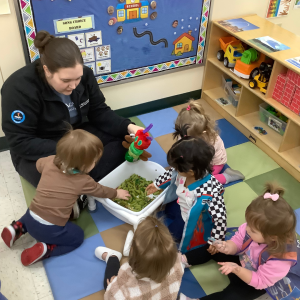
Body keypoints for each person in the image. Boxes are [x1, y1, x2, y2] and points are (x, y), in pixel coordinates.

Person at [1, 30, 148, 191]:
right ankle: (82, 186)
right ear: (47, 70)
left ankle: (81, 186)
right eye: (66, 80)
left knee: (124, 140)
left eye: (77, 78)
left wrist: (130, 127)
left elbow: (99, 112)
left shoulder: (85, 75)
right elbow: (20, 141)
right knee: (54, 179)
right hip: (41, 145)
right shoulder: (18, 89)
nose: (73, 86)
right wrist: (74, 151)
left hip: (77, 133)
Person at [1, 129, 130, 266]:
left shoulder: (50, 161)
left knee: (36, 209)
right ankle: (48, 249)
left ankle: (17, 227)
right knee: (77, 237)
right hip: (50, 230)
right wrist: (116, 193)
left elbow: (38, 165)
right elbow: (100, 191)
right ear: (85, 165)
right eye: (94, 161)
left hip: (31, 216)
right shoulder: (83, 180)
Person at [182, 183, 300, 300]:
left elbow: (261, 281)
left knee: (234, 296)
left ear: (272, 237)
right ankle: (182, 260)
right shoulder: (253, 229)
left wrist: (237, 269)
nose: (247, 228)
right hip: (244, 261)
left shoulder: (280, 259)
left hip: (257, 280)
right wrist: (227, 247)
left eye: (252, 230)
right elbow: (238, 242)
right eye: (248, 223)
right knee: (214, 247)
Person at [146, 125, 227, 256]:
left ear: (190, 171)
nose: (174, 170)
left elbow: (220, 218)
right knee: (168, 211)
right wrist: (157, 184)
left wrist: (215, 240)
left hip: (191, 219)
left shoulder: (211, 192)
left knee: (172, 235)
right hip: (181, 203)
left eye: (177, 168)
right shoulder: (183, 172)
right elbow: (170, 174)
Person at [95, 216, 186, 300]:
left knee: (108, 283)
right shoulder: (178, 264)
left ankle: (113, 257)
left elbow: (112, 296)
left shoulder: (125, 276)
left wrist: (112, 286)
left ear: (131, 250)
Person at [175, 100, 244, 185]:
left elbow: (203, 162)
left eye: (190, 137)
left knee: (201, 181)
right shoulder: (184, 133)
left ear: (202, 133)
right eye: (184, 135)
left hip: (213, 163)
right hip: (198, 159)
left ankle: (227, 176)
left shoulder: (210, 142)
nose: (184, 138)